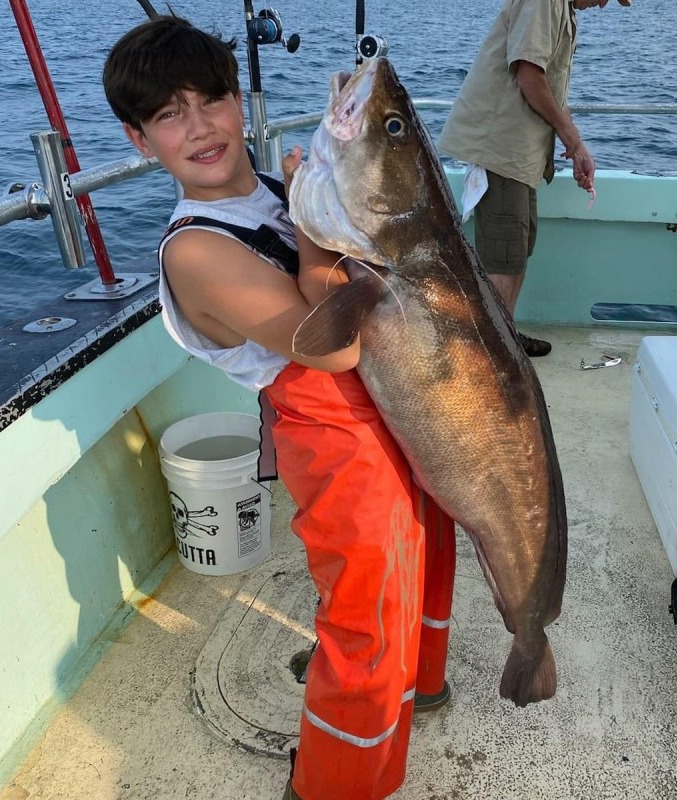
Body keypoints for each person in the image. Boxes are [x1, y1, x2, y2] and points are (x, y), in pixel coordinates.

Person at [103, 16, 456, 800]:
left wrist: (318, 198)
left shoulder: (269, 188)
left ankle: (421, 684)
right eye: (168, 115)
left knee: (426, 548)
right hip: (331, 433)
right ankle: (337, 782)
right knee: (364, 607)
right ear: (140, 141)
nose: (198, 127)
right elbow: (327, 344)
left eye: (210, 100)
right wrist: (313, 223)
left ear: (238, 102)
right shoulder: (194, 248)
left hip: (389, 406)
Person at [438, 0, 632, 357]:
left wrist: (577, 149)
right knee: (502, 258)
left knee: (518, 251)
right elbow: (529, 75)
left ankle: (504, 335)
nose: (604, 4)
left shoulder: (565, 9)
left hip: (522, 153)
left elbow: (550, 87)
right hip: (502, 146)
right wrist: (573, 140)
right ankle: (491, 355)